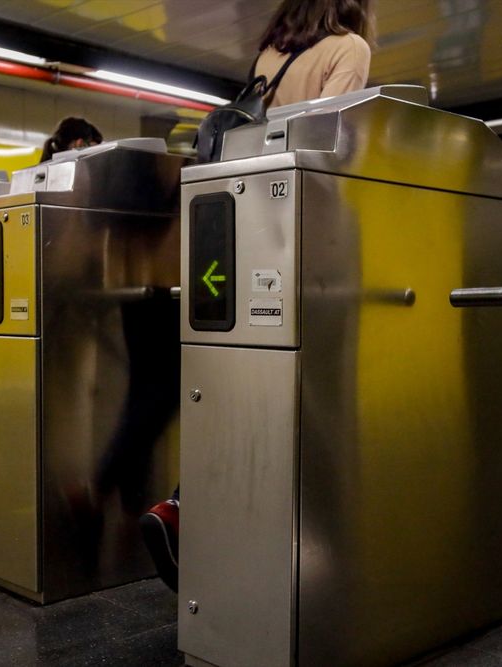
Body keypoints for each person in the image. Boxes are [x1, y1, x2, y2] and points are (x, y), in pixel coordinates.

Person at [139, 0, 374, 594]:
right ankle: (299, 541)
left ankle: (187, 509)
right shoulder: (349, 48)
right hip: (305, 239)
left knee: (243, 387)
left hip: (242, 238)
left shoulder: (271, 54)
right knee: (313, 397)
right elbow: (333, 151)